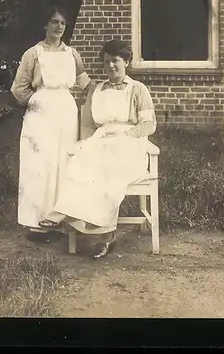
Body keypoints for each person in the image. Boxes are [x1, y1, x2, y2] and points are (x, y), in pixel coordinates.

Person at [39, 39, 157, 259]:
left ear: (127, 62)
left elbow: (148, 125)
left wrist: (126, 135)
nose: (111, 66)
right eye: (106, 62)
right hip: (102, 140)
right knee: (80, 164)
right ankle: (69, 214)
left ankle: (104, 235)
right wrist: (85, 144)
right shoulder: (97, 89)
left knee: (107, 172)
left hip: (129, 144)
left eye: (116, 61)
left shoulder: (137, 89)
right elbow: (88, 125)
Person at [10, 6, 92, 239]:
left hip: (66, 112)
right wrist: (36, 102)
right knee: (39, 164)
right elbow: (18, 88)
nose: (58, 27)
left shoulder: (72, 54)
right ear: (45, 25)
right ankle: (35, 224)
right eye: (54, 22)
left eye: (63, 23)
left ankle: (59, 221)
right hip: (41, 115)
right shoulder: (33, 54)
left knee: (63, 164)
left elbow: (85, 83)